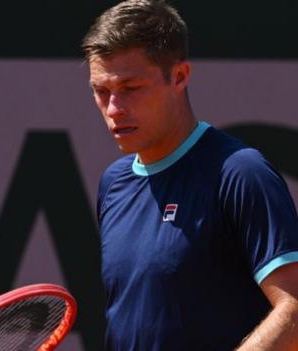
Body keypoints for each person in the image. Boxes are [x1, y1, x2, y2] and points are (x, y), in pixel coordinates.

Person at [82, 0, 298, 350]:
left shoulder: (240, 173)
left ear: (179, 77)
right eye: (101, 91)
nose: (113, 109)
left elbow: (295, 308)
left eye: (131, 88)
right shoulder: (114, 184)